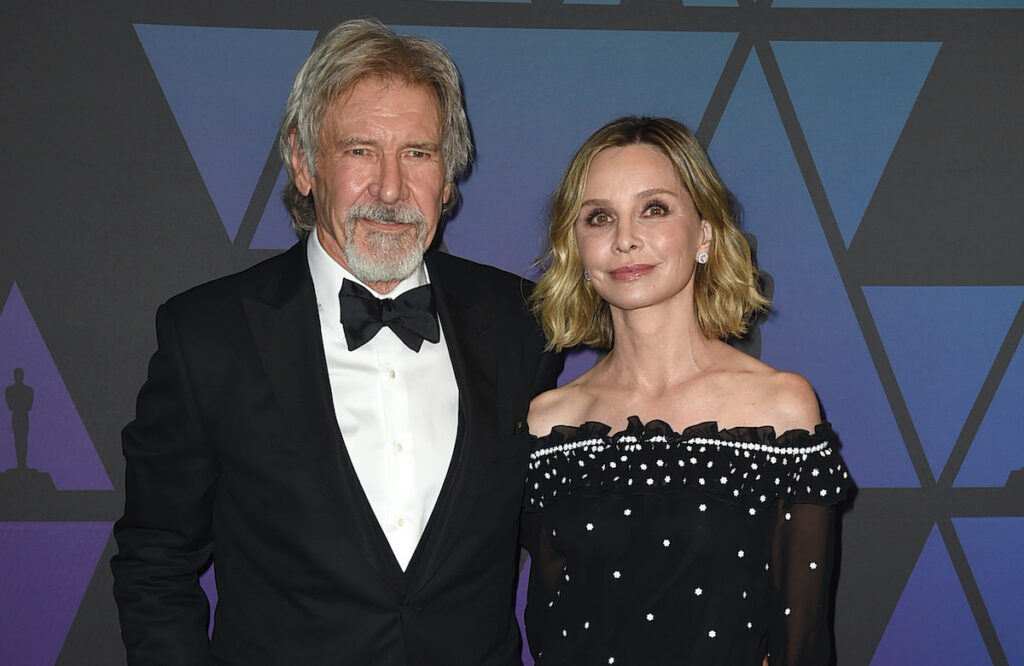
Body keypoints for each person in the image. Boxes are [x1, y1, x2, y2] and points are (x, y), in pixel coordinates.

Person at [111, 19, 562, 665]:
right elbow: (156, 561)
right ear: (303, 163)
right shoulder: (208, 334)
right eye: (359, 150)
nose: (389, 188)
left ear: (448, 174)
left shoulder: (524, 323)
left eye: (418, 152)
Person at [522, 116, 851, 665]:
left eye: (654, 209)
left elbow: (804, 646)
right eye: (599, 217)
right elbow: (549, 629)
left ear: (704, 234)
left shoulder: (780, 409)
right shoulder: (549, 422)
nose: (626, 238)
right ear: (576, 247)